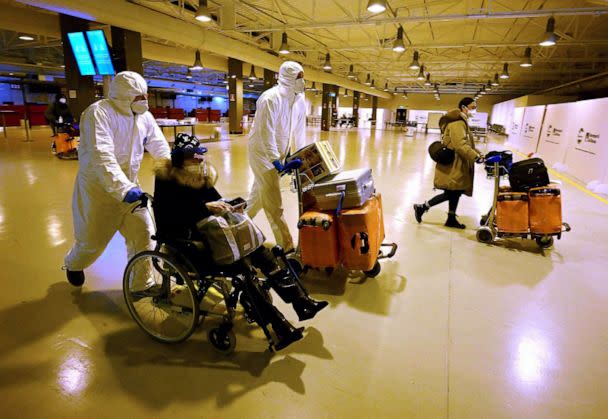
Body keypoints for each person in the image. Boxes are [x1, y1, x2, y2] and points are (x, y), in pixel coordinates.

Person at [152, 134, 328, 350]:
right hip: (185, 240)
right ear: (180, 159)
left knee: (262, 252)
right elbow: (169, 216)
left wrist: (229, 205)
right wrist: (205, 209)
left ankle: (301, 303)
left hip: (214, 233)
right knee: (242, 270)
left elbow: (215, 198)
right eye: (194, 157)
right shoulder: (166, 179)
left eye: (200, 156)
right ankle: (279, 326)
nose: (199, 160)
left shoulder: (199, 173)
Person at [64, 71, 171, 288]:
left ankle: (142, 285)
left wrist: (171, 167)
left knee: (144, 235)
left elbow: (158, 144)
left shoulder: (144, 117)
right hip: (99, 192)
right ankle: (73, 264)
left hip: (131, 189)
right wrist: (123, 189)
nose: (144, 101)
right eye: (138, 97)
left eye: (146, 96)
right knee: (91, 243)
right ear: (123, 96)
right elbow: (101, 157)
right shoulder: (98, 114)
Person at [246, 61, 309, 252]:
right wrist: (275, 160)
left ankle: (238, 224)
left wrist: (303, 154)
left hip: (278, 154)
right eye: (299, 77)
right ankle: (286, 245)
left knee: (258, 196)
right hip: (261, 154)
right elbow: (266, 133)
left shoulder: (299, 100)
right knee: (274, 201)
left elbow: (299, 130)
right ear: (288, 77)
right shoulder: (270, 99)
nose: (303, 81)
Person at [413, 97, 484, 229]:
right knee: (452, 192)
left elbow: (466, 143)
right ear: (464, 107)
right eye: (473, 107)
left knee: (456, 191)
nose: (475, 110)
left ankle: (451, 218)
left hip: (458, 162)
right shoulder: (458, 123)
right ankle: (422, 207)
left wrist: (478, 153)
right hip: (455, 164)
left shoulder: (461, 121)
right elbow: (460, 145)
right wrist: (475, 157)